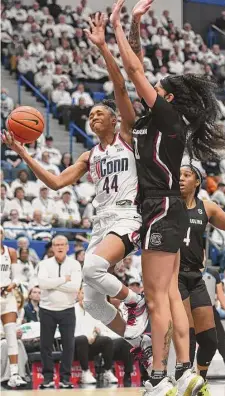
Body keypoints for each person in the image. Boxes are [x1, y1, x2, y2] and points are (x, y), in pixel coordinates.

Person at [1, 14, 150, 354]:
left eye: (100, 113)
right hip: (101, 222)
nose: (93, 116)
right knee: (95, 302)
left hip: (127, 216)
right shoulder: (90, 156)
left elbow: (121, 84)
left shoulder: (126, 136)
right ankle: (140, 339)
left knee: (95, 267)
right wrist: (23, 153)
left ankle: (136, 300)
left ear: (115, 119)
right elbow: (54, 183)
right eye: (91, 115)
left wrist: (102, 48)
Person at [109, 0, 225, 394]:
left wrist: (116, 25)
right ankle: (185, 370)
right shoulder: (156, 119)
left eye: (158, 89)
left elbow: (134, 69)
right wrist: (137, 23)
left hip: (159, 207)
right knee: (171, 293)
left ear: (169, 98)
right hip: (167, 208)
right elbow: (135, 67)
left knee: (156, 296)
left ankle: (158, 376)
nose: (151, 88)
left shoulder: (167, 118)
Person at [179, 164, 225, 394]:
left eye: (186, 175)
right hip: (173, 276)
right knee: (186, 335)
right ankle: (182, 382)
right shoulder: (167, 205)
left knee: (209, 340)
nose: (181, 179)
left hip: (196, 276)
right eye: (178, 175)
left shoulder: (206, 207)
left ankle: (200, 382)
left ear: (197, 181)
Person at [37, 235, 82, 389]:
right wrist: (64, 279)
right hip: (47, 309)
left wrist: (52, 283)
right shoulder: (44, 264)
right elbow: (42, 284)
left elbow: (75, 287)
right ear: (52, 247)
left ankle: (65, 378)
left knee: (69, 345)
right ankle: (47, 377)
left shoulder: (75, 264)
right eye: (56, 244)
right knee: (46, 345)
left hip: (67, 309)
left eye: (62, 244)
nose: (60, 247)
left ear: (67, 247)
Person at [0, 226, 27, 388]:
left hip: (7, 296)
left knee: (11, 335)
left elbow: (17, 276)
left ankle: (14, 375)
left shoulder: (10, 252)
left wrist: (13, 284)